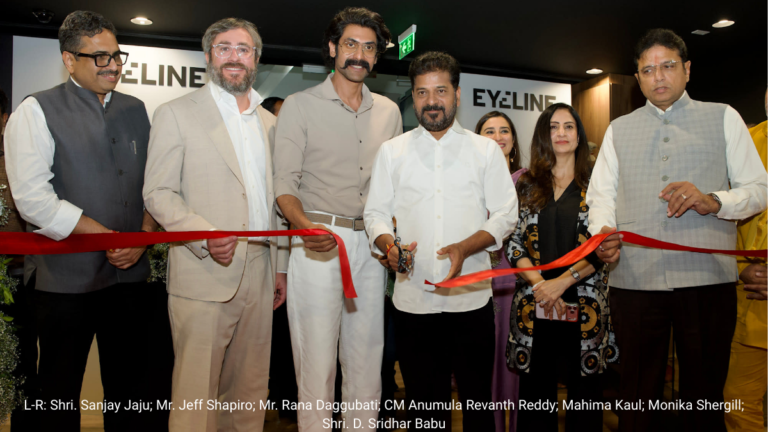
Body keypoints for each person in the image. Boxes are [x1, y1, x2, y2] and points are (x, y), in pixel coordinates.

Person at [588, 29, 767, 432]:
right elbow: (601, 195)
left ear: (686, 69)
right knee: (636, 396)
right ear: (638, 78)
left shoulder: (723, 116)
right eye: (647, 70)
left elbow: (759, 189)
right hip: (635, 279)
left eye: (667, 65)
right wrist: (604, 233)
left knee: (703, 397)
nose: (658, 76)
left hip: (707, 279)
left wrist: (714, 201)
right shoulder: (619, 128)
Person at [4, 11, 172, 432]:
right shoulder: (36, 110)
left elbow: (156, 186)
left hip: (131, 278)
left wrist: (143, 237)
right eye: (98, 57)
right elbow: (33, 201)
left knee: (132, 392)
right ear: (68, 59)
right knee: (58, 393)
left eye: (116, 55)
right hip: (63, 282)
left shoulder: (136, 109)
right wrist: (111, 236)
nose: (112, 65)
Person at [142, 17, 287, 432]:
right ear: (208, 56)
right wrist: (203, 234)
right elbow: (158, 193)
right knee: (194, 397)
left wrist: (280, 269)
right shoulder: (176, 113)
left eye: (244, 49)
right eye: (224, 48)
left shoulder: (271, 124)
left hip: (261, 273)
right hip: (203, 271)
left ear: (256, 59)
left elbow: (276, 203)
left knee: (250, 392)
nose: (234, 57)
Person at [365, 51, 518, 431]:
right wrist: (388, 245)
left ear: (457, 94)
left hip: (471, 301)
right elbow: (376, 214)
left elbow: (505, 215)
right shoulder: (392, 151)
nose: (431, 101)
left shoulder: (484, 151)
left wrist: (466, 248)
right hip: (413, 302)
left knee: (477, 403)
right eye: (421, 92)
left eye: (440, 91)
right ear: (413, 97)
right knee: (423, 408)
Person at [272, 7, 401, 431]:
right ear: (332, 48)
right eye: (350, 44)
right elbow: (284, 183)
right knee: (316, 360)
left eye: (369, 47)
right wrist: (302, 226)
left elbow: (395, 188)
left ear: (377, 56)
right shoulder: (299, 106)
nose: (359, 55)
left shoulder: (389, 112)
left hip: (371, 246)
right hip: (317, 242)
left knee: (367, 358)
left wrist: (392, 239)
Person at [506, 103, 614, 432]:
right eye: (554, 127)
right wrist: (542, 285)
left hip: (584, 304)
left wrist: (562, 283)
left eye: (569, 126)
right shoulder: (526, 185)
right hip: (535, 302)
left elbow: (603, 246)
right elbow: (513, 243)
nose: (561, 133)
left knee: (586, 397)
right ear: (544, 135)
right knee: (536, 395)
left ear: (579, 135)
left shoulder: (598, 186)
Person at [475, 111, 524, 432]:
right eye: (489, 131)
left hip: (519, 284)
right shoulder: (467, 184)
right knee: (483, 364)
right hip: (477, 285)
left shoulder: (528, 180)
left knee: (517, 363)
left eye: (504, 131)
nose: (497, 136)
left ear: (513, 140)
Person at [723, 90, 768, 432]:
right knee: (737, 403)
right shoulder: (746, 144)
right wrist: (741, 269)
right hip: (754, 303)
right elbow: (717, 219)